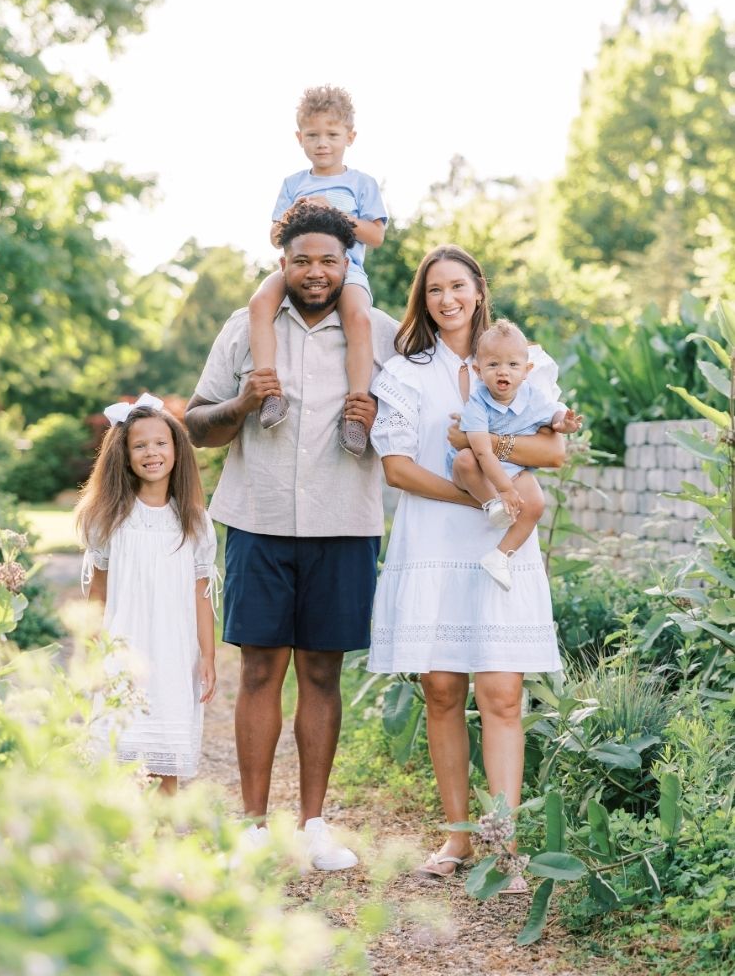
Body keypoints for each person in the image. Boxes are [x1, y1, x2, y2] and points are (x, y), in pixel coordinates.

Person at [186, 201, 396, 870]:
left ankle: (313, 824)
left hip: (344, 521)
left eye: (328, 261)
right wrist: (244, 403)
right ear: (283, 263)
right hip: (259, 519)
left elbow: (419, 420)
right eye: (302, 260)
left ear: (346, 264)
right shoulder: (245, 330)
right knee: (257, 670)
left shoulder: (381, 335)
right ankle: (250, 827)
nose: (314, 271)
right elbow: (197, 425)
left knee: (321, 672)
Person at [366, 246, 567, 887]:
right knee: (443, 690)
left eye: (457, 286)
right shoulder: (404, 372)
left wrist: (484, 448)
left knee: (502, 693)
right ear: (422, 301)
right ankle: (458, 838)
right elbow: (396, 467)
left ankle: (504, 844)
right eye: (433, 291)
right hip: (432, 541)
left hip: (499, 549)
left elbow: (552, 450)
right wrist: (486, 495)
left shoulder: (523, 360)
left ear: (480, 289)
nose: (446, 299)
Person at [78, 393, 218, 793]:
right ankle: (125, 837)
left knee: (165, 750)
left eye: (160, 443)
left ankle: (164, 839)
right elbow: (98, 589)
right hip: (124, 646)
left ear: (176, 450)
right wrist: (92, 649)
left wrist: (207, 655)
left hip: (174, 651)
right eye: (139, 445)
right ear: (124, 456)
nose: (151, 452)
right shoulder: (109, 520)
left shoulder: (193, 522)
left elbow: (201, 593)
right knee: (123, 747)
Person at [245, 85, 388, 455]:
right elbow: (276, 235)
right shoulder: (293, 184)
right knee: (260, 304)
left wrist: (334, 213)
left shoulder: (361, 184)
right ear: (299, 138)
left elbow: (375, 235)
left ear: (349, 137)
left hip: (346, 269)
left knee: (359, 318)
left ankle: (355, 412)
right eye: (312, 135)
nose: (322, 143)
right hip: (299, 267)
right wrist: (298, 214)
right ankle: (270, 393)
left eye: (332, 135)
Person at [447, 319, 584, 589]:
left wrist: (562, 423)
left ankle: (500, 556)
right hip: (477, 468)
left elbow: (551, 417)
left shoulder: (532, 396)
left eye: (512, 365)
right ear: (478, 370)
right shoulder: (478, 403)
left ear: (526, 370)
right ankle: (492, 505)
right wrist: (504, 491)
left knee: (535, 503)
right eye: (493, 364)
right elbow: (483, 452)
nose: (503, 372)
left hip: (513, 467)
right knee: (464, 459)